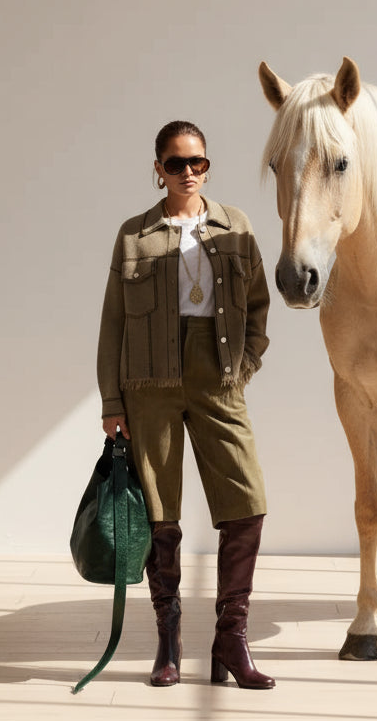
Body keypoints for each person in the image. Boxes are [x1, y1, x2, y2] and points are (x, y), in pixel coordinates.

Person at [96, 120, 274, 690]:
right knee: (159, 513)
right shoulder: (134, 235)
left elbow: (258, 306)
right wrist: (111, 400)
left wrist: (244, 367)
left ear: (207, 165)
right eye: (176, 163)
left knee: (246, 503)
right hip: (149, 384)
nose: (188, 172)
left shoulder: (235, 226)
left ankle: (231, 638)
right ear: (158, 169)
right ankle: (168, 639)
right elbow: (113, 323)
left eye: (197, 161)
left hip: (217, 377)